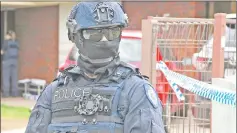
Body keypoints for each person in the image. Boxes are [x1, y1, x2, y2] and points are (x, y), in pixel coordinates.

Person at [25, 2, 165, 133]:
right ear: (76, 36)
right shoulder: (53, 92)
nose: (104, 40)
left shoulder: (136, 91)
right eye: (95, 34)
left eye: (112, 32)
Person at [1, 30, 19, 97]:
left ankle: (6, 93)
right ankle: (15, 93)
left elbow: (2, 52)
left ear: (8, 35)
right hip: (15, 61)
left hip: (7, 61)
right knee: (14, 77)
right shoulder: (16, 42)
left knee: (6, 77)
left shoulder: (6, 42)